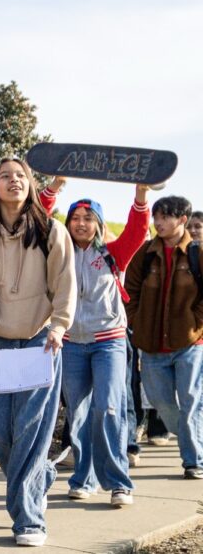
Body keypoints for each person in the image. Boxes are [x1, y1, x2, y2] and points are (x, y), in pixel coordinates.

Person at [0, 158, 76, 547]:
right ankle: (41, 477)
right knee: (0, 432)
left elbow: (64, 283)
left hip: (41, 341)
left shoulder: (50, 231)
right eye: (5, 176)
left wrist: (59, 326)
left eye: (21, 176)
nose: (14, 181)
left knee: (31, 429)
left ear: (30, 184)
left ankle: (29, 519)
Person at [55, 187, 149, 507]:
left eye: (87, 218)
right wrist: (52, 188)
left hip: (109, 341)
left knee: (108, 408)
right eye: (75, 218)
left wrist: (141, 198)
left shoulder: (113, 253)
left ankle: (119, 483)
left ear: (98, 223)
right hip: (70, 344)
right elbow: (38, 219)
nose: (80, 224)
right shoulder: (58, 252)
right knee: (78, 414)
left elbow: (137, 231)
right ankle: (84, 478)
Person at [124, 196, 203, 480]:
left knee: (191, 400)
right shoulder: (145, 254)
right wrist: (135, 319)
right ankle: (193, 440)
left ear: (182, 219)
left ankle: (194, 461)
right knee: (161, 402)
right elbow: (129, 289)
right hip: (152, 343)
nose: (158, 222)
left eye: (165, 217)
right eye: (156, 216)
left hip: (189, 342)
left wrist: (197, 321)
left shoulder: (197, 253)